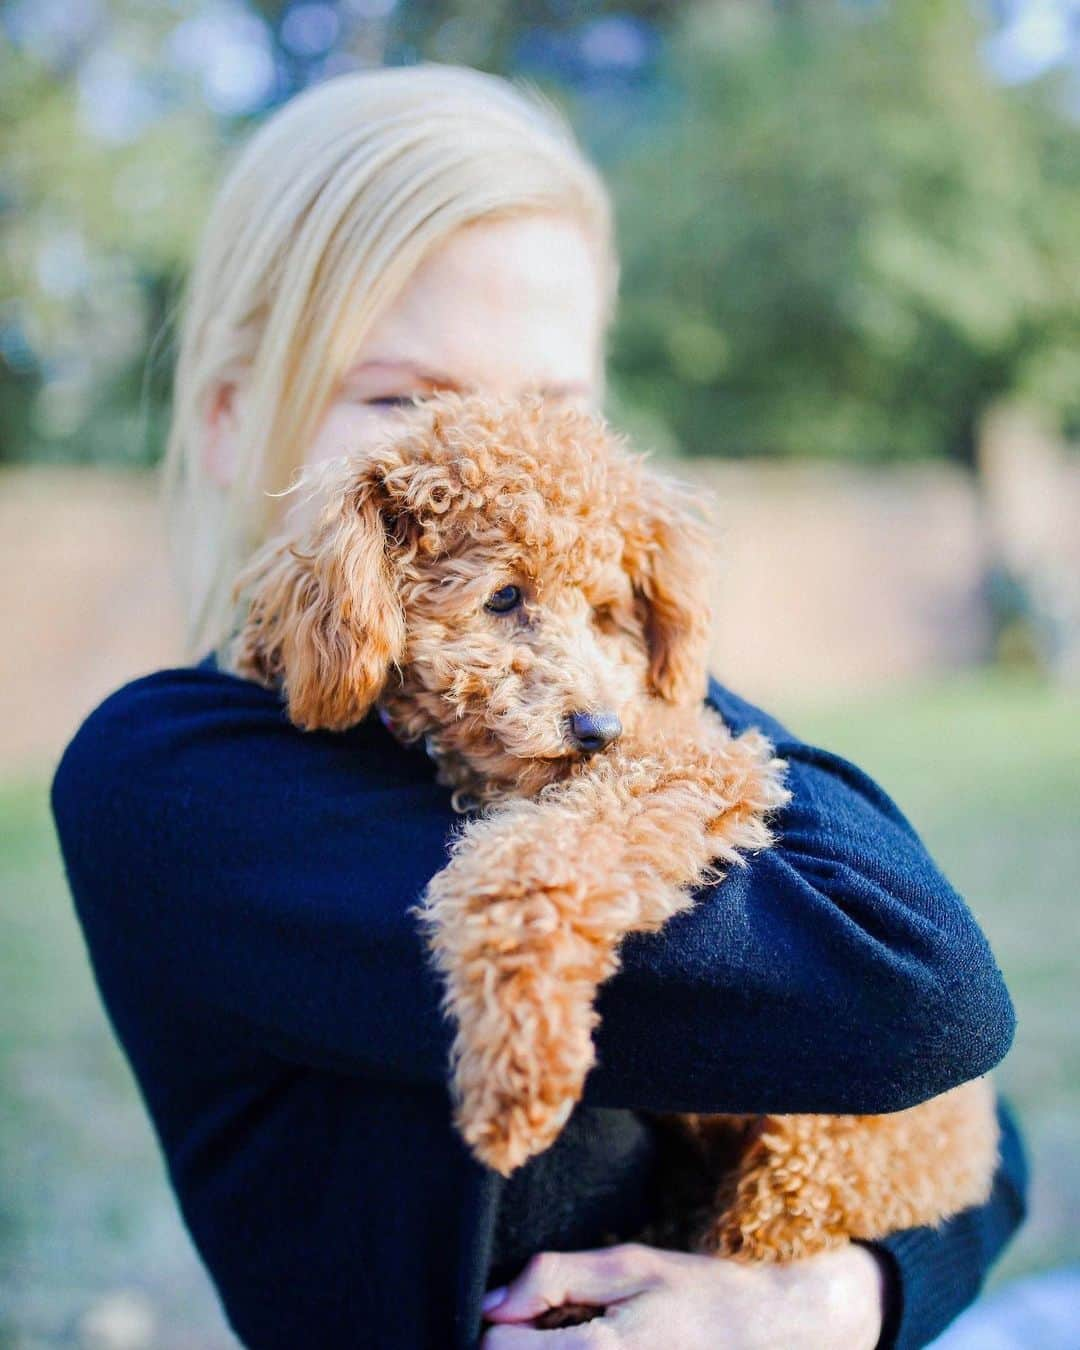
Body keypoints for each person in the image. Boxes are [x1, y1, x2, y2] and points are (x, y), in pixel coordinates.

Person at [50, 66, 1026, 1350]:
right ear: (234, 423)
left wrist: (831, 1302)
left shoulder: (605, 714)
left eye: (551, 410)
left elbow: (979, 1112)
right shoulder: (172, 781)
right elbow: (907, 996)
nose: (494, 459)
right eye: (407, 394)